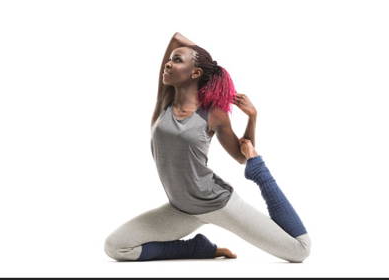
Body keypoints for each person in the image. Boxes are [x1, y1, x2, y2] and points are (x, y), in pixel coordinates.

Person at [104, 32, 311, 263]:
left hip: (217, 203)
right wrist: (206, 62)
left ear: (195, 73)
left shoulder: (213, 114)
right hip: (180, 209)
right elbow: (176, 38)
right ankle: (197, 248)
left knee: (299, 250)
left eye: (177, 60)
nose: (168, 64)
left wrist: (252, 117)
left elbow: (240, 156)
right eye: (170, 60)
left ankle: (261, 175)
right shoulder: (164, 101)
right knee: (116, 247)